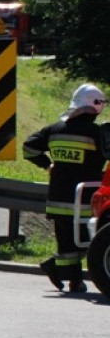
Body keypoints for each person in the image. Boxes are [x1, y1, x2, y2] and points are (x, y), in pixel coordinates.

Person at [23, 83, 107, 293]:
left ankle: (71, 279)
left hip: (58, 199)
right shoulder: (96, 133)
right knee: (86, 242)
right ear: (97, 106)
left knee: (68, 243)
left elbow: (29, 148)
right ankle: (59, 271)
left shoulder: (54, 130)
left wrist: (47, 164)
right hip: (85, 198)